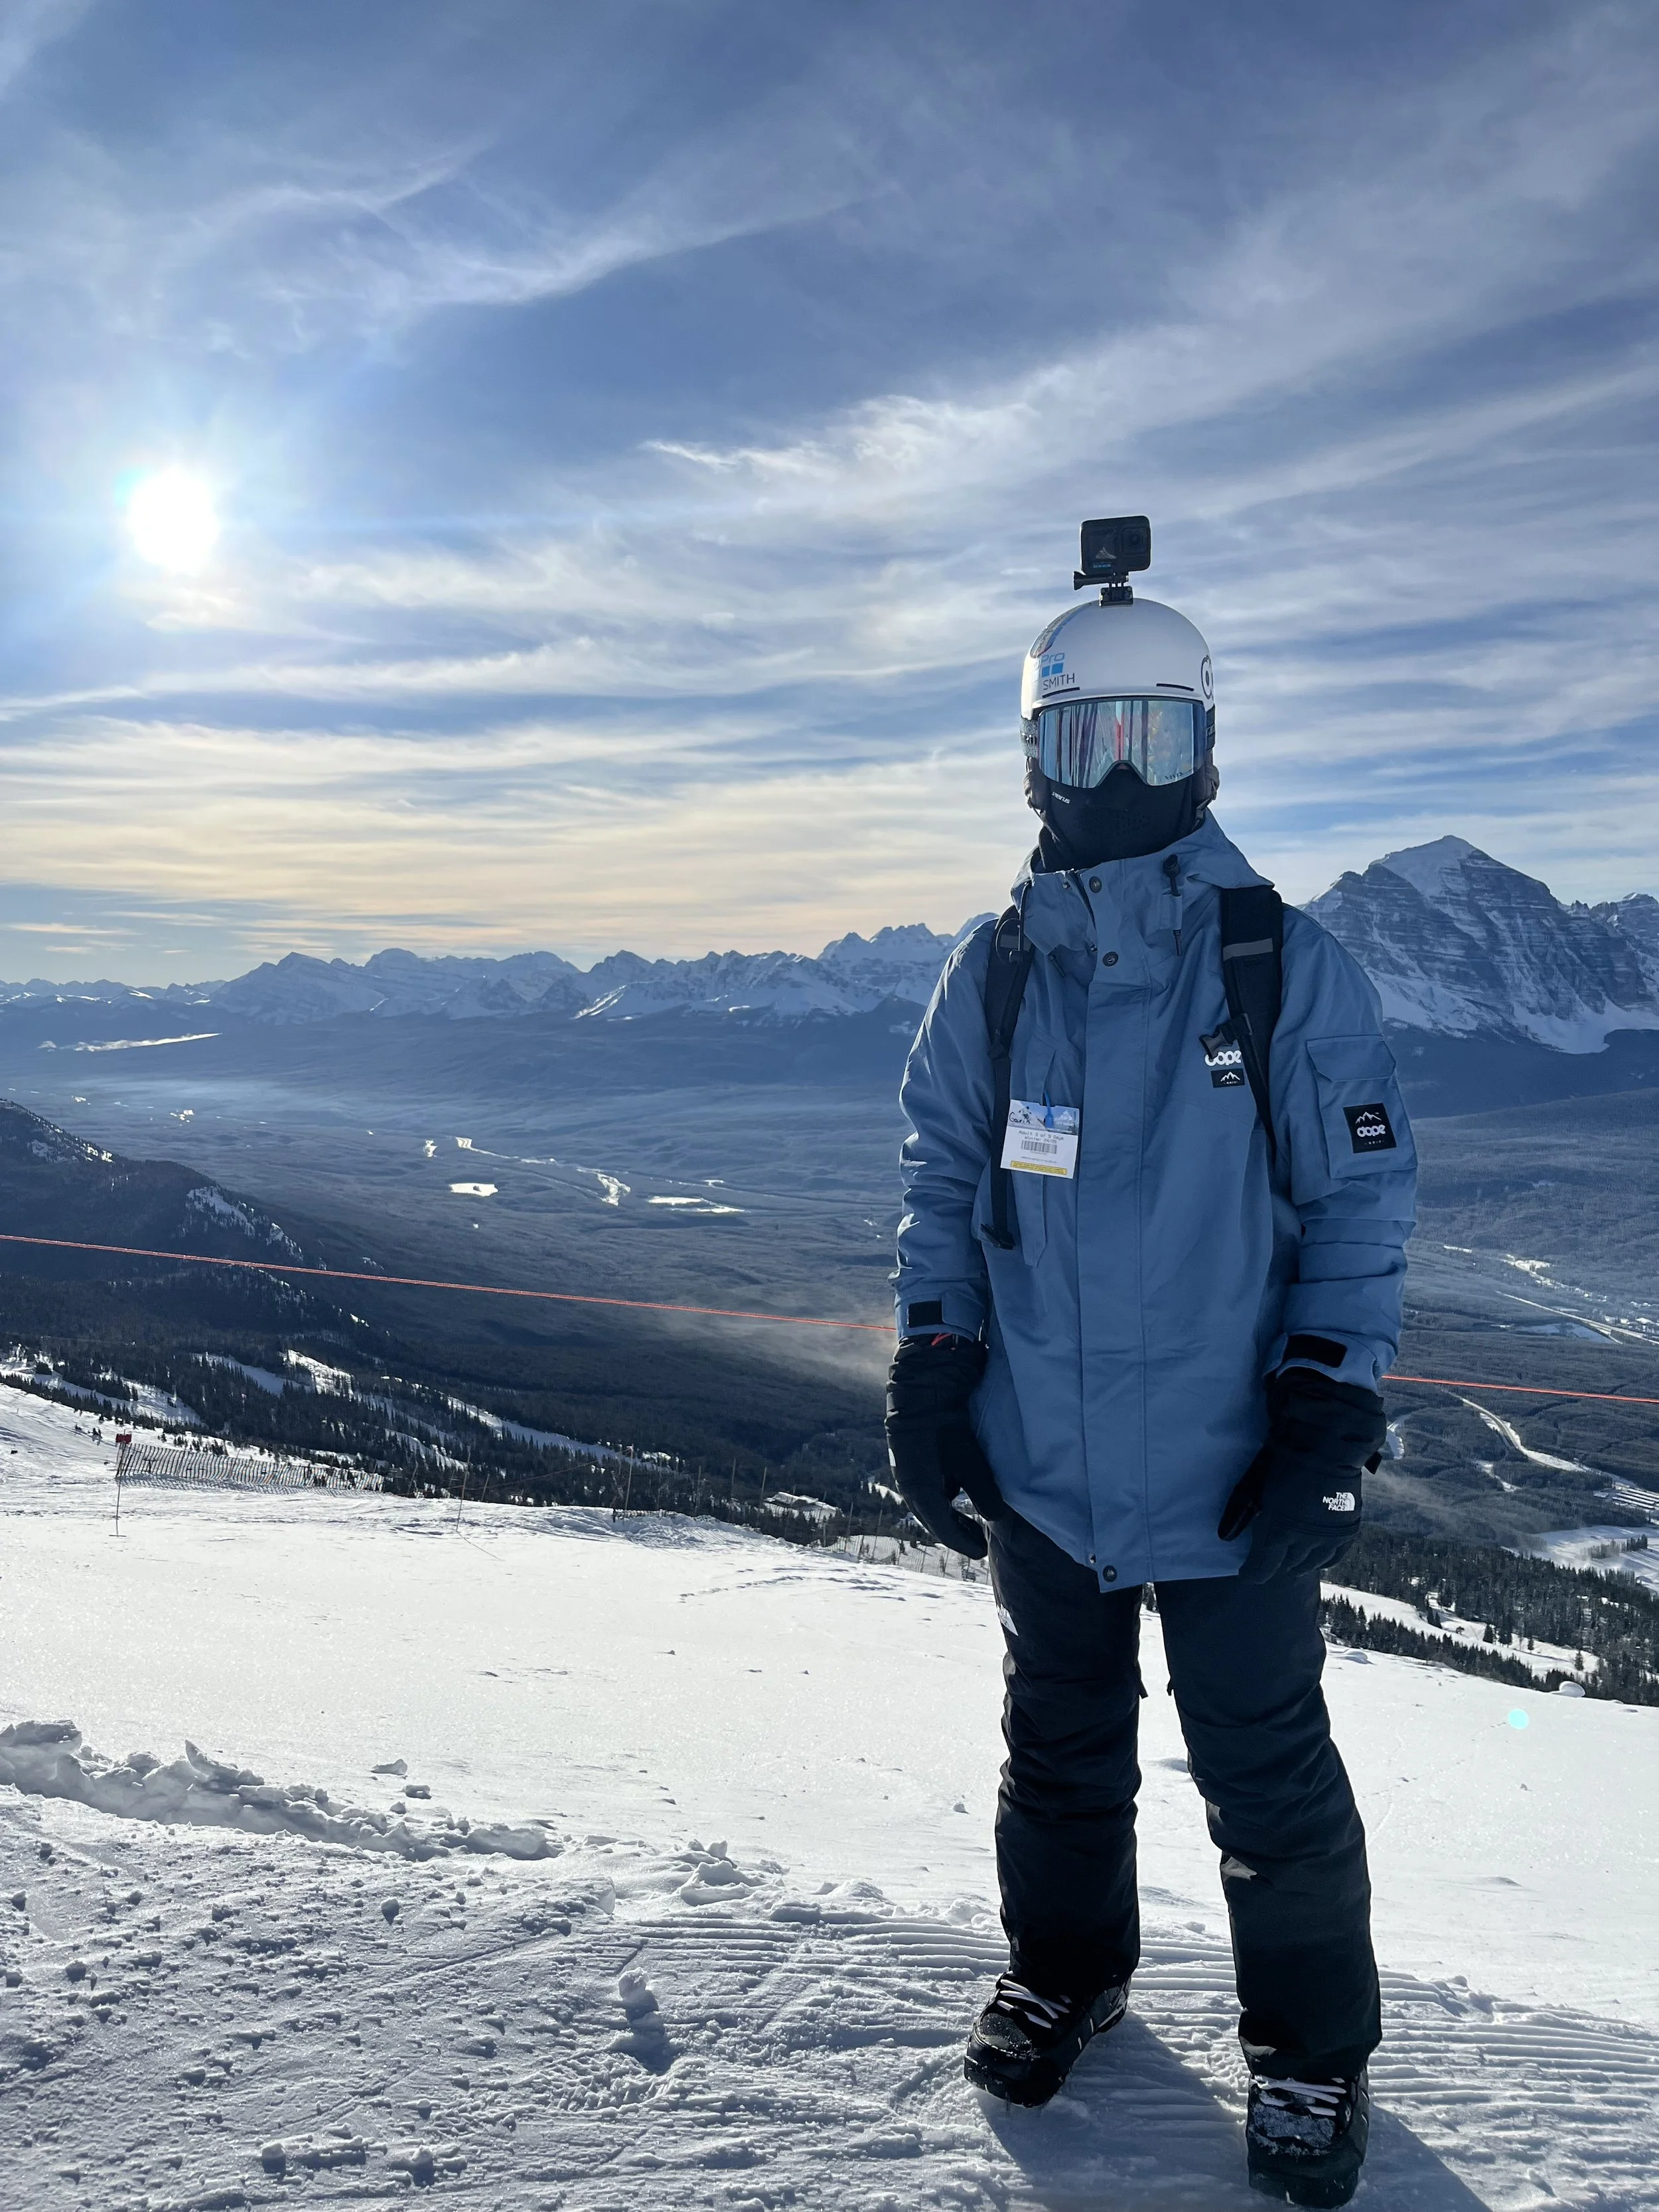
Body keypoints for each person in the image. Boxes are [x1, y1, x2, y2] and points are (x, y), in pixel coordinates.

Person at [885, 528, 1414, 2211]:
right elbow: (940, 1181)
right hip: (1044, 1450)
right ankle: (1068, 1965)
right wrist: (931, 1363)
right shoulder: (998, 968)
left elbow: (1355, 1197)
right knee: (1057, 1742)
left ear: (1201, 746)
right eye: (1077, 743)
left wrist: (1328, 1396)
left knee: (1262, 1763)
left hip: (1225, 1458)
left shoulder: (1272, 963)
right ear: (1034, 756)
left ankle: (1308, 2054)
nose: (1111, 777)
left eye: (1147, 743)